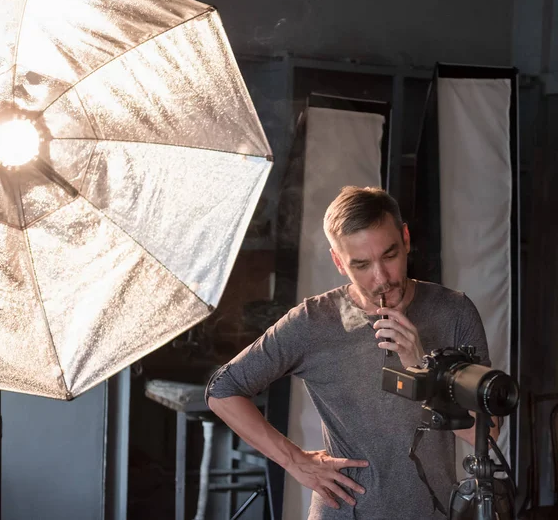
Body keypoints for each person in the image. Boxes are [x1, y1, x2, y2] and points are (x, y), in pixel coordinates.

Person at [206, 186, 497, 519]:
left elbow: (485, 437)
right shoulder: (313, 322)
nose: (381, 278)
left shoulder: (454, 312)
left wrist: (422, 369)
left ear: (405, 238)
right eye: (361, 265)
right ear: (338, 262)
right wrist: (294, 460)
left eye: (389, 256)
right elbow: (222, 391)